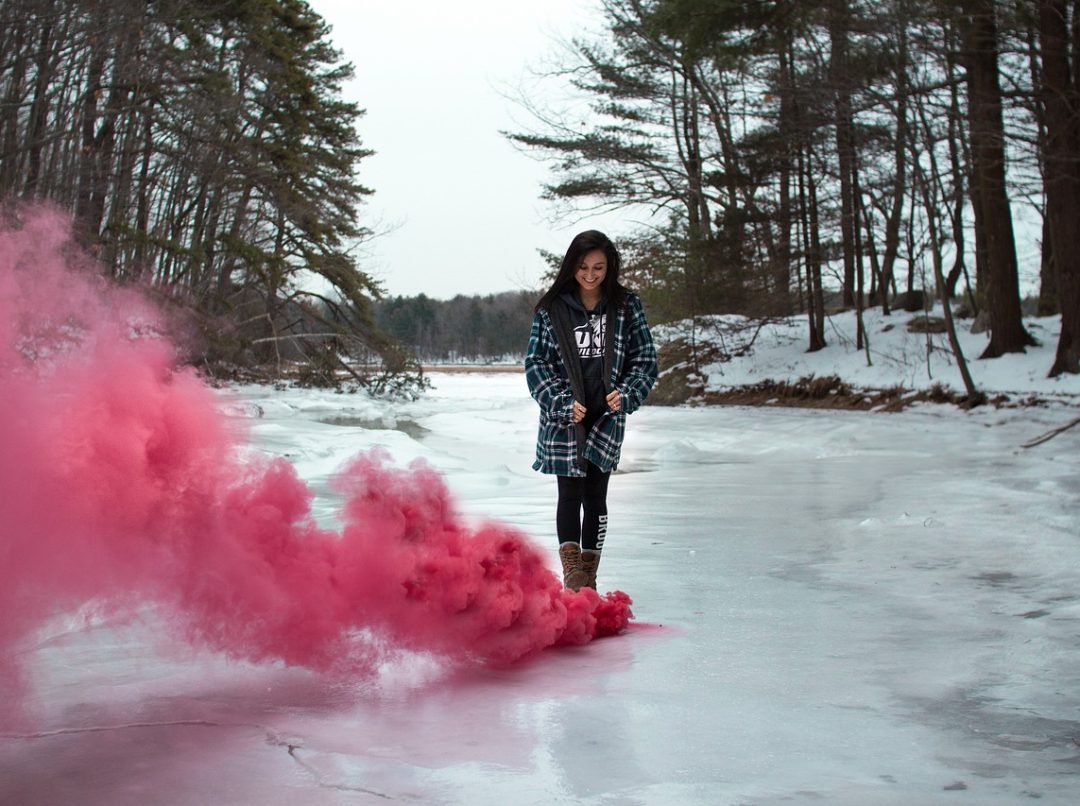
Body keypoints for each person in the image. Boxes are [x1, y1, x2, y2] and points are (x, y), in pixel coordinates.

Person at [525, 230, 658, 592]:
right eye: (583, 266)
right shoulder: (551, 310)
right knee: (568, 495)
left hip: (606, 418)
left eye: (598, 267)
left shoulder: (626, 306)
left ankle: (589, 576)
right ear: (572, 266)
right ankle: (573, 577)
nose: (590, 274)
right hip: (566, 418)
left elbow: (645, 359)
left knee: (596, 497)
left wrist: (627, 393)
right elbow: (536, 365)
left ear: (609, 267)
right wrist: (561, 403)